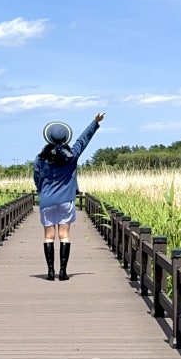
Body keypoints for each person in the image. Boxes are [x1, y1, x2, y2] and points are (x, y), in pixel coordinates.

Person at [33, 112, 105, 280]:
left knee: (48, 236)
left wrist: (42, 191)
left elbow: (37, 178)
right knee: (64, 235)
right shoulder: (72, 156)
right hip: (66, 200)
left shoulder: (40, 158)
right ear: (66, 139)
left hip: (47, 201)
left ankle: (50, 272)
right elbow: (82, 140)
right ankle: (63, 272)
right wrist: (95, 122)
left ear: (49, 138)